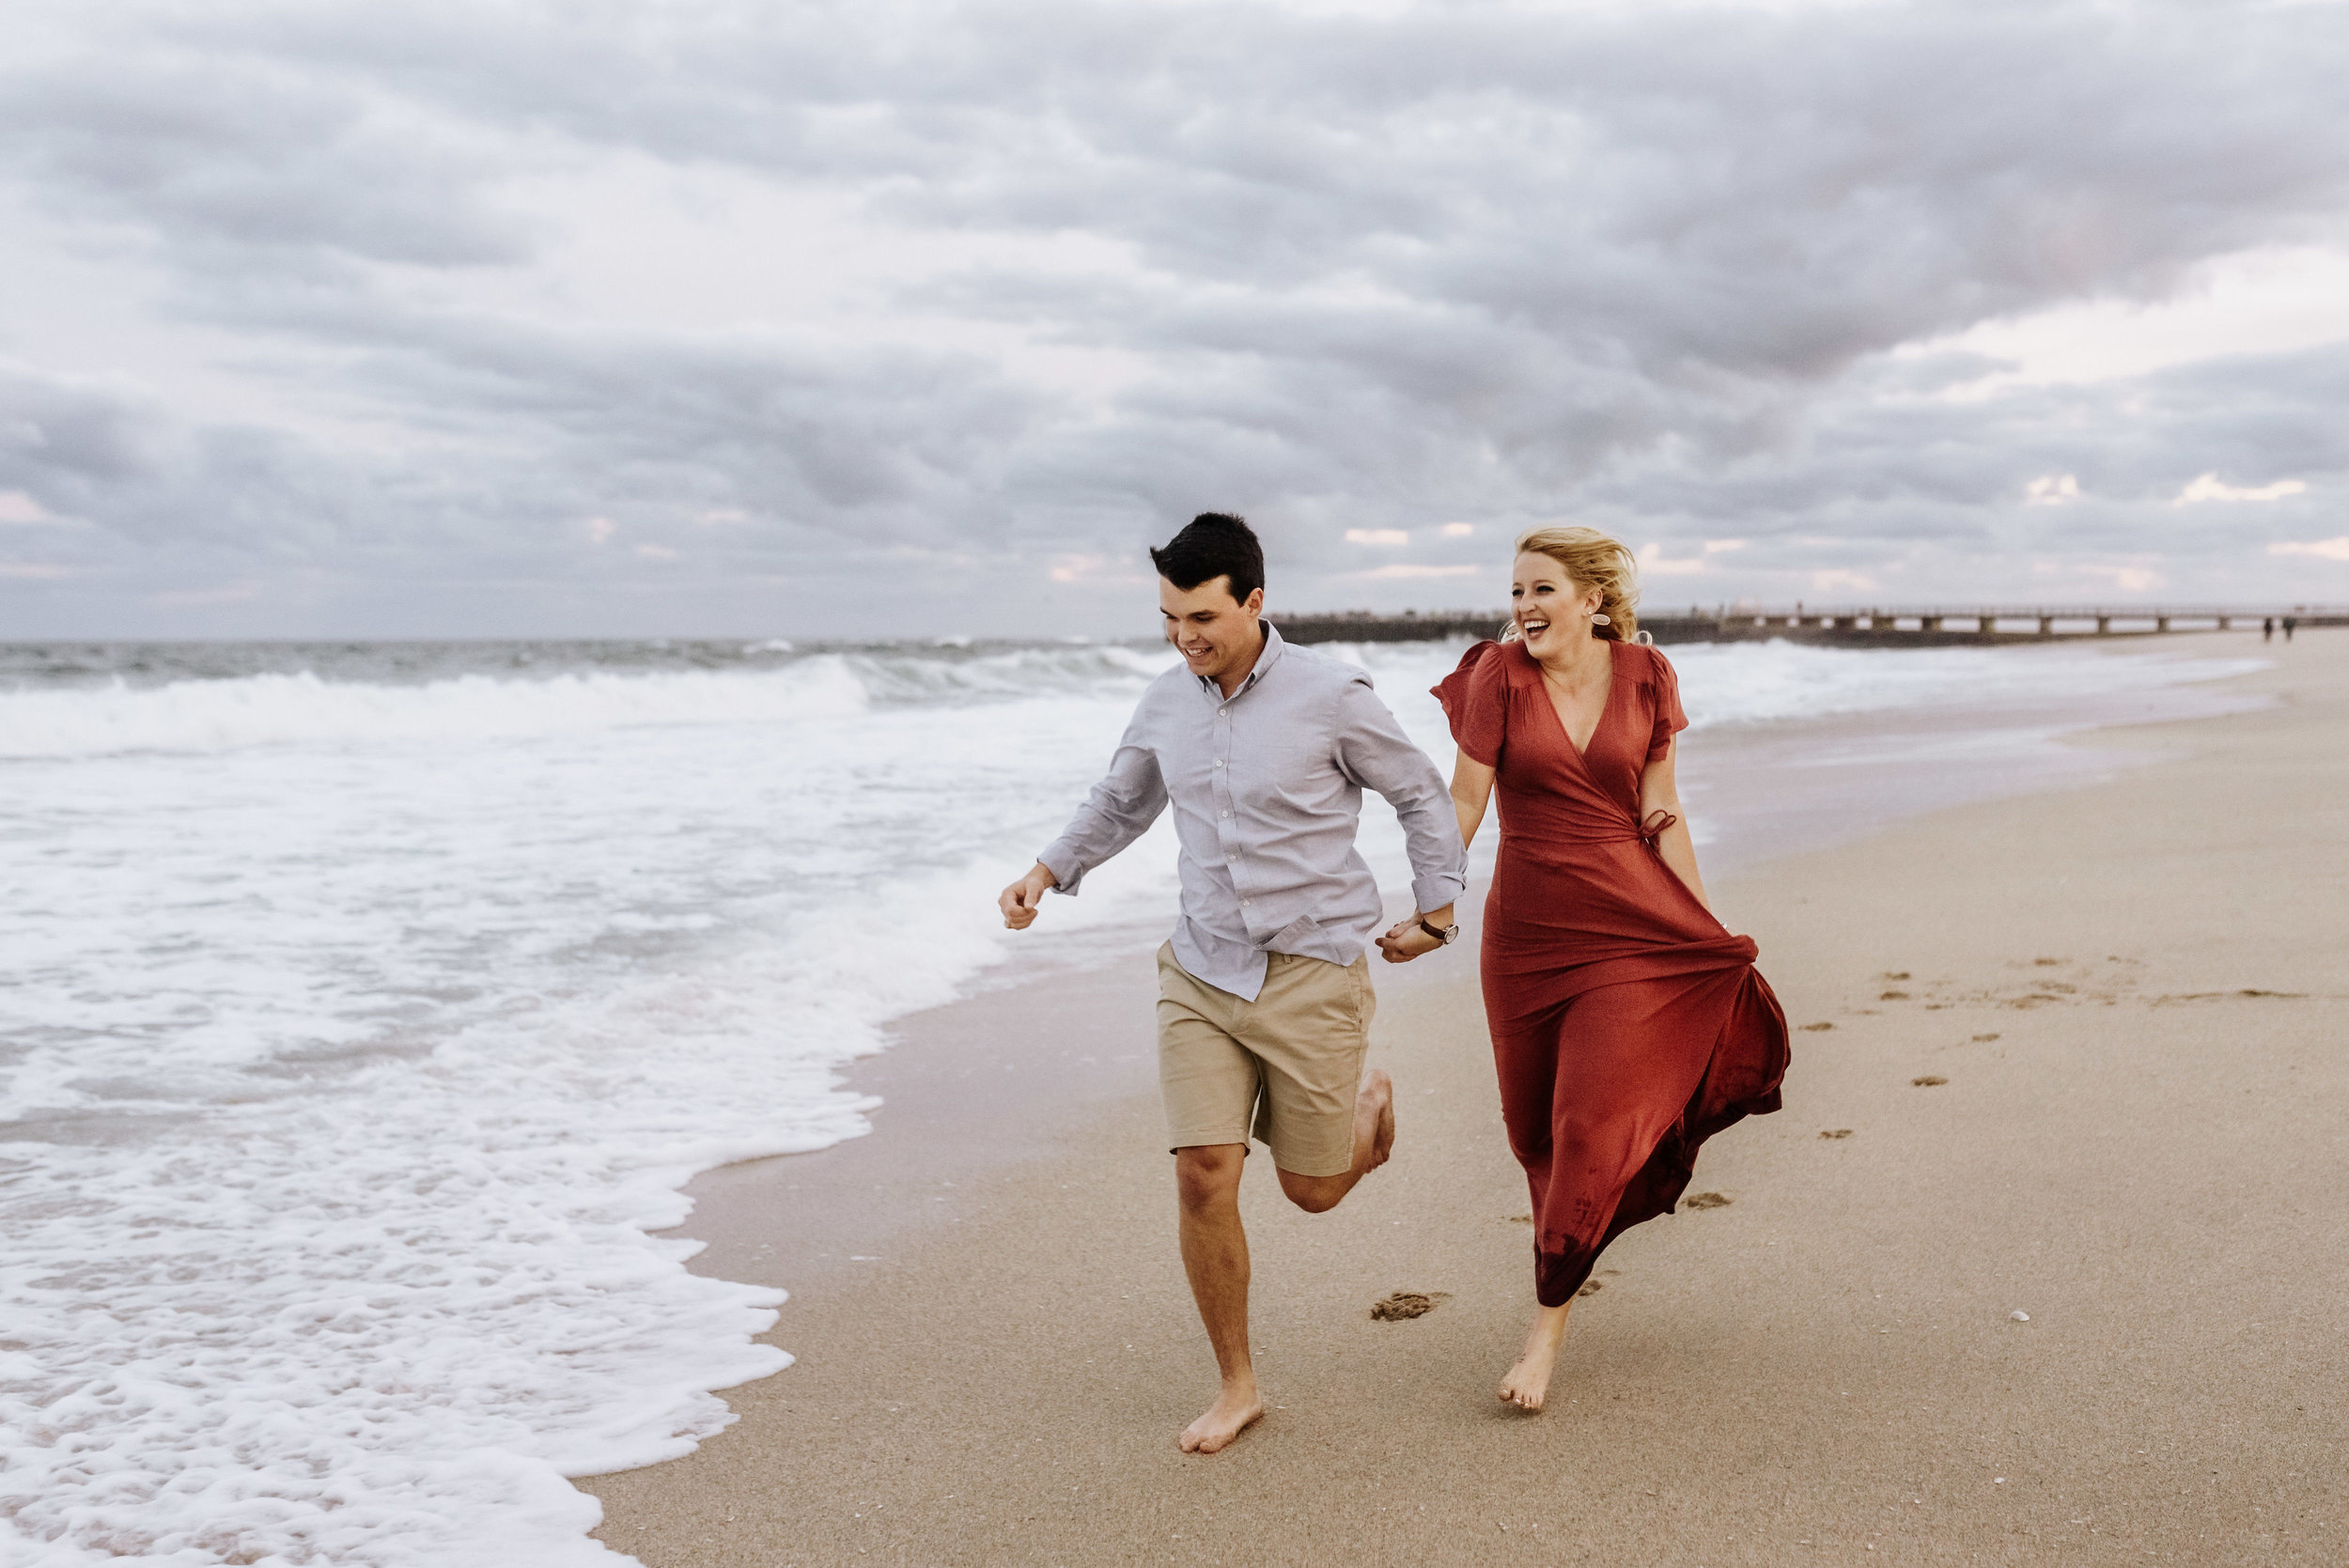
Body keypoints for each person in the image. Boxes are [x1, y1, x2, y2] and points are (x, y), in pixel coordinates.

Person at [999, 513, 1469, 1454]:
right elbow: (1119, 801)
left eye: (1203, 617)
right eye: (1170, 617)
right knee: (1202, 1174)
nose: (1184, 637)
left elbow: (1417, 789)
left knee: (1312, 1190)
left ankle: (1367, 1117)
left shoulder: (1332, 693)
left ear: (1255, 601)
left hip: (1311, 971)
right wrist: (1046, 872)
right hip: (1202, 968)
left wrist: (1437, 908)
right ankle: (1237, 1384)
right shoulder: (1164, 702)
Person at [1423, 526, 1790, 1414]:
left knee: (1588, 1123)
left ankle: (1545, 1327)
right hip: (1526, 937)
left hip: (1629, 923)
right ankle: (1568, 1246)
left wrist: (1698, 923)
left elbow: (1661, 809)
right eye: (1515, 591)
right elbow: (1465, 799)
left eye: (1542, 589)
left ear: (1592, 599)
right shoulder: (1497, 678)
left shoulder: (1648, 677)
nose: (1523, 608)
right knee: (1535, 1134)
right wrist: (1436, 903)